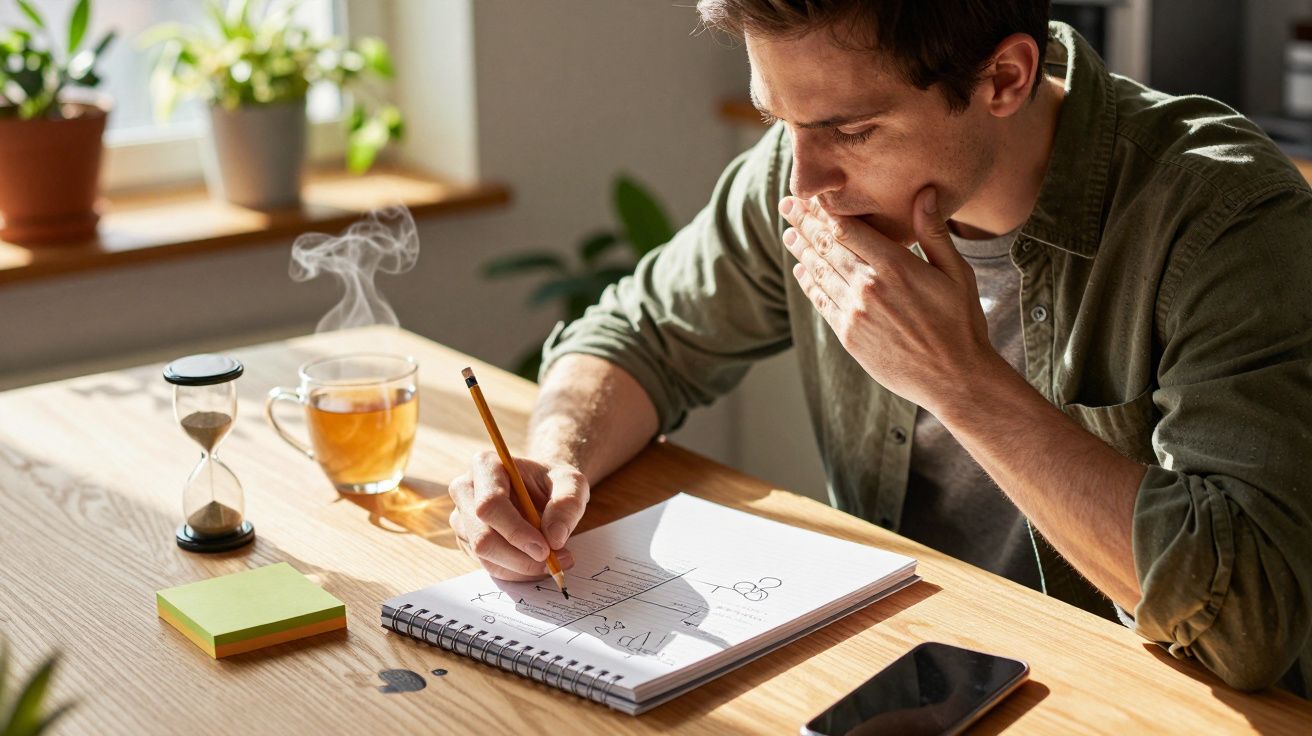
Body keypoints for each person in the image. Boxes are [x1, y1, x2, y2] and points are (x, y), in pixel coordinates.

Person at [447, 1, 1312, 697]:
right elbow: (639, 335)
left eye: (852, 131)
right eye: (776, 118)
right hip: (895, 676)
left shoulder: (1224, 219)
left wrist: (961, 382)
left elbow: (1250, 619)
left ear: (1004, 77)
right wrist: (554, 461)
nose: (802, 182)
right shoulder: (802, 180)